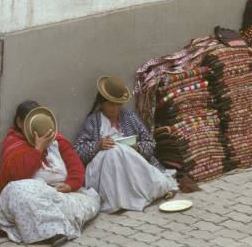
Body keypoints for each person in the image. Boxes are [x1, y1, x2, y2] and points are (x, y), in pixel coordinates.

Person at [0, 101, 100, 247]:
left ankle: (52, 228)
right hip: (29, 200)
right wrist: (38, 150)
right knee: (18, 190)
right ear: (20, 123)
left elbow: (76, 169)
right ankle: (54, 232)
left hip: (59, 197)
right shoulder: (14, 144)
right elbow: (17, 175)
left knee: (86, 204)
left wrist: (70, 185)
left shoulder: (58, 141)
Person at [74, 76, 178, 213]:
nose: (115, 109)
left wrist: (136, 147)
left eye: (119, 104)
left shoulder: (129, 116)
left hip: (132, 165)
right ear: (102, 103)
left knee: (119, 150)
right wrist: (98, 146)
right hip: (103, 169)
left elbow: (150, 143)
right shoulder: (93, 122)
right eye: (111, 104)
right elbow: (78, 151)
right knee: (114, 151)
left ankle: (144, 193)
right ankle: (120, 198)